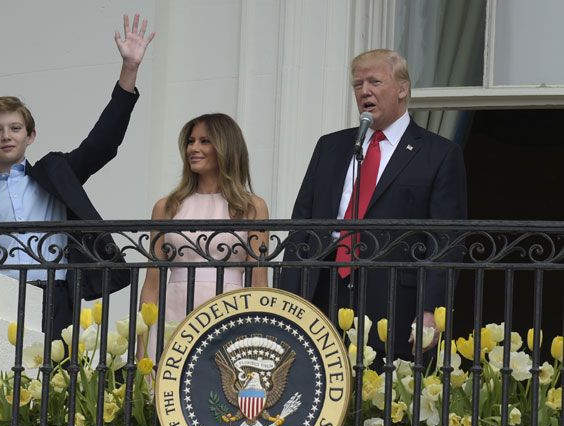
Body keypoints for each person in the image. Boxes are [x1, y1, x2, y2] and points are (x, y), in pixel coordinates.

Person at [0, 14, 155, 340]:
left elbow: (102, 143)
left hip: (55, 294)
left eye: (15, 128)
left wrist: (129, 71)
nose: (6, 136)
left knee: (55, 380)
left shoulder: (55, 173)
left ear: (30, 135)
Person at [280, 49, 467, 361]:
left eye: (375, 82)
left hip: (394, 300)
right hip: (324, 292)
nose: (364, 91)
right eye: (357, 84)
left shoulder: (439, 154)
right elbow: (303, 224)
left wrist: (432, 311)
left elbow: (446, 240)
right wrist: (288, 300)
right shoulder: (332, 147)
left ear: (403, 89)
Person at [139, 113, 269, 356]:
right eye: (191, 141)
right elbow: (152, 285)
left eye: (204, 141)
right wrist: (143, 352)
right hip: (173, 315)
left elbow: (258, 284)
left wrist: (256, 345)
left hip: (230, 316)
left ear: (226, 147)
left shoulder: (252, 207)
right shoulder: (166, 207)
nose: (193, 148)